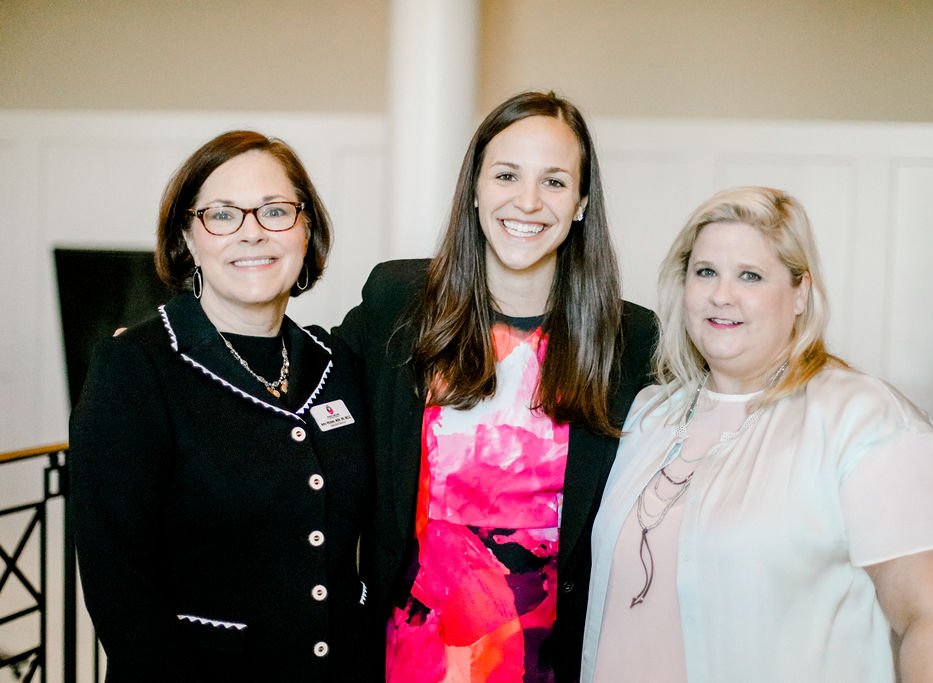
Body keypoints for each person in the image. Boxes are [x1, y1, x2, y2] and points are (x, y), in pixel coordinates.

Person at [582, 186, 933, 682]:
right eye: (706, 272)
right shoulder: (649, 415)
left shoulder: (866, 422)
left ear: (800, 294)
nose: (722, 295)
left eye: (751, 275)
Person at [334, 91, 658, 682]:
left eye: (555, 182)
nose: (528, 201)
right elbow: (301, 383)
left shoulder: (630, 338)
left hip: (552, 665)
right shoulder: (397, 302)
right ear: (476, 188)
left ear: (582, 202)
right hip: (404, 662)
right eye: (507, 175)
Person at [70, 131, 370, 681]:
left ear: (306, 229)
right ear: (188, 237)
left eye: (276, 211)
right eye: (223, 215)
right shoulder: (136, 368)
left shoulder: (338, 364)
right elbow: (118, 583)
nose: (252, 233)